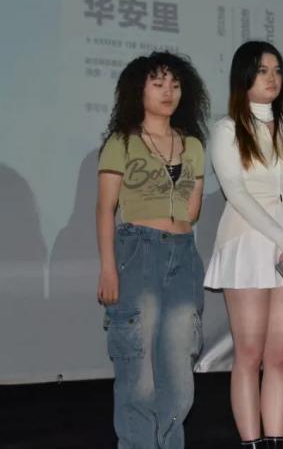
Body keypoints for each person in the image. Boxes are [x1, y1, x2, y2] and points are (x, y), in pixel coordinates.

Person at [204, 41, 283, 448]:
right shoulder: (227, 129)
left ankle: (275, 441)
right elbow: (236, 193)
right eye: (263, 70)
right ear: (244, 77)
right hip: (247, 242)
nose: (273, 78)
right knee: (249, 353)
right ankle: (251, 443)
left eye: (277, 70)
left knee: (280, 354)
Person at [97, 51, 209, 448]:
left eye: (175, 85)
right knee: (138, 374)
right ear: (138, 90)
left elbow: (192, 211)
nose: (168, 92)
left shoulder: (193, 145)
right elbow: (105, 209)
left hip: (183, 254)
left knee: (179, 375)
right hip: (137, 252)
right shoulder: (122, 142)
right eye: (158, 84)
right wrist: (108, 268)